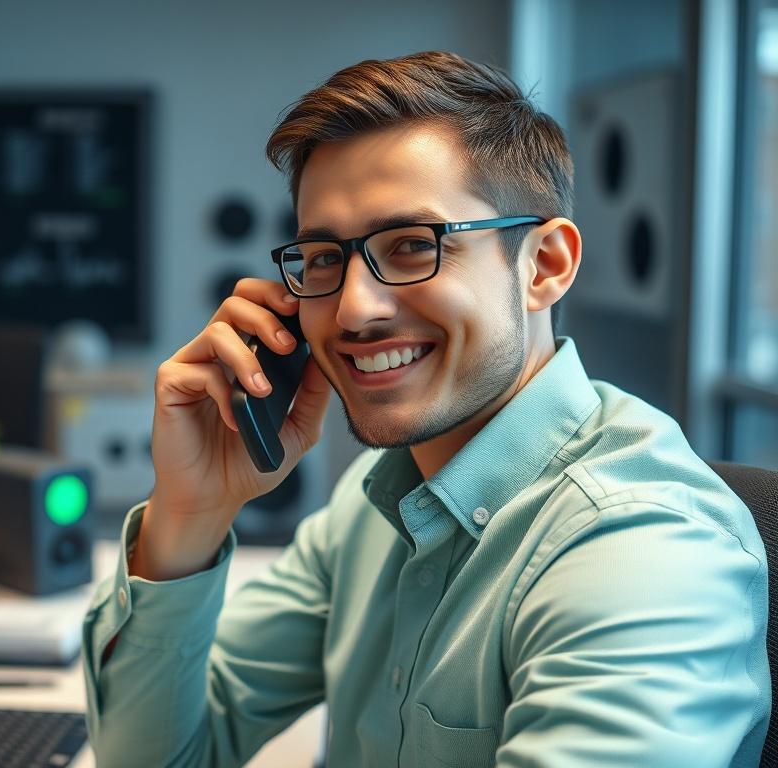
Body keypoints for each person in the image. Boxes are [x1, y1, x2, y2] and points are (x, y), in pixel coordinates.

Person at [81, 51, 770, 767]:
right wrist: (189, 515)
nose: (353, 309)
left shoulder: (641, 555)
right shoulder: (373, 503)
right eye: (323, 258)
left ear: (544, 267)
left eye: (412, 245)